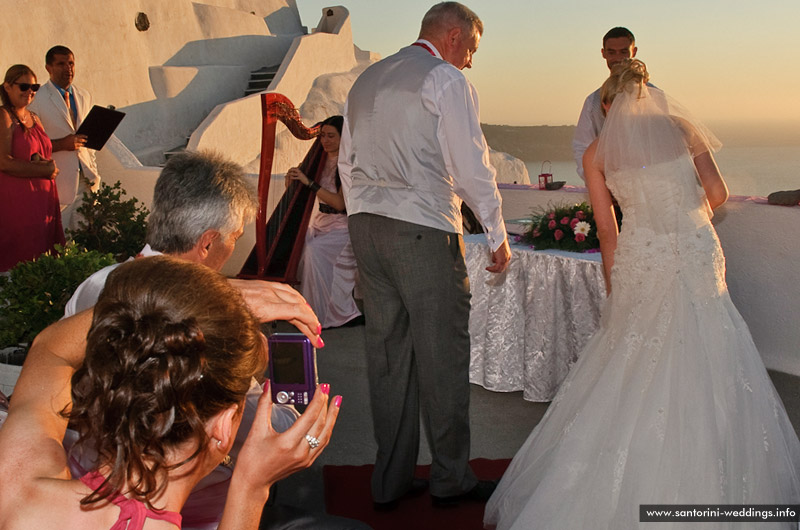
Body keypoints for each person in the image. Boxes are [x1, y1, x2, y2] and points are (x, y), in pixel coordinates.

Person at [485, 59, 800, 529]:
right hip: (696, 250)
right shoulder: (683, 129)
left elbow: (608, 233)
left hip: (641, 254)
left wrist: (617, 289)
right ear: (648, 94)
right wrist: (683, 218)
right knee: (712, 346)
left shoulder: (597, 154)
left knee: (634, 354)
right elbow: (717, 192)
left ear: (608, 105)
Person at [0, 256, 341, 530]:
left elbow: (51, 348)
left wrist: (194, 306)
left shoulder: (17, 484)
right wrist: (251, 488)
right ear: (222, 426)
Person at [339, 1, 511, 510]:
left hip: (366, 228)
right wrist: (496, 231)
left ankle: (389, 483)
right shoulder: (445, 80)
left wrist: (358, 220)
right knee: (443, 357)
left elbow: (346, 163)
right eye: (473, 49)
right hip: (422, 229)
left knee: (387, 358)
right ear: (454, 36)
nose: (472, 61)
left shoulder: (366, 78)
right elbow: (471, 164)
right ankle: (451, 478)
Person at [285, 115, 362, 328]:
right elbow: (298, 192)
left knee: (313, 251)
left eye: (331, 136)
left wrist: (309, 182)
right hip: (321, 223)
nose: (325, 141)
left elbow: (339, 204)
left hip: (343, 228)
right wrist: (291, 179)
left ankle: (324, 315)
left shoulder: (348, 165)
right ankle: (305, 309)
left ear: (343, 137)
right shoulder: (318, 161)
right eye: (322, 136)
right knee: (299, 245)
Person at [0, 64, 64, 272]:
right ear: (7, 87)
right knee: (21, 261)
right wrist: (44, 170)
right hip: (18, 204)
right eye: (24, 86)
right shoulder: (4, 117)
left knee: (44, 259)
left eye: (34, 88)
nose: (30, 92)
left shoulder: (34, 118)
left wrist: (47, 165)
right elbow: (3, 161)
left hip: (43, 199)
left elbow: (42, 151)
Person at [29, 45, 100, 230]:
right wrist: (62, 144)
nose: (68, 68)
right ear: (48, 68)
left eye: (71, 63)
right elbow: (30, 145)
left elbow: (88, 142)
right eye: (61, 64)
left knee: (85, 237)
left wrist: (92, 168)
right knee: (61, 240)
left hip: (87, 179)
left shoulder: (84, 96)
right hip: (59, 183)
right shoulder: (37, 99)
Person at [572, 27, 638, 181]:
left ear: (633, 52)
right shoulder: (593, 101)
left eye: (623, 52)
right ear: (603, 54)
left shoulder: (654, 97)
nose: (617, 58)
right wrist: (599, 183)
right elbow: (582, 147)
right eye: (611, 52)